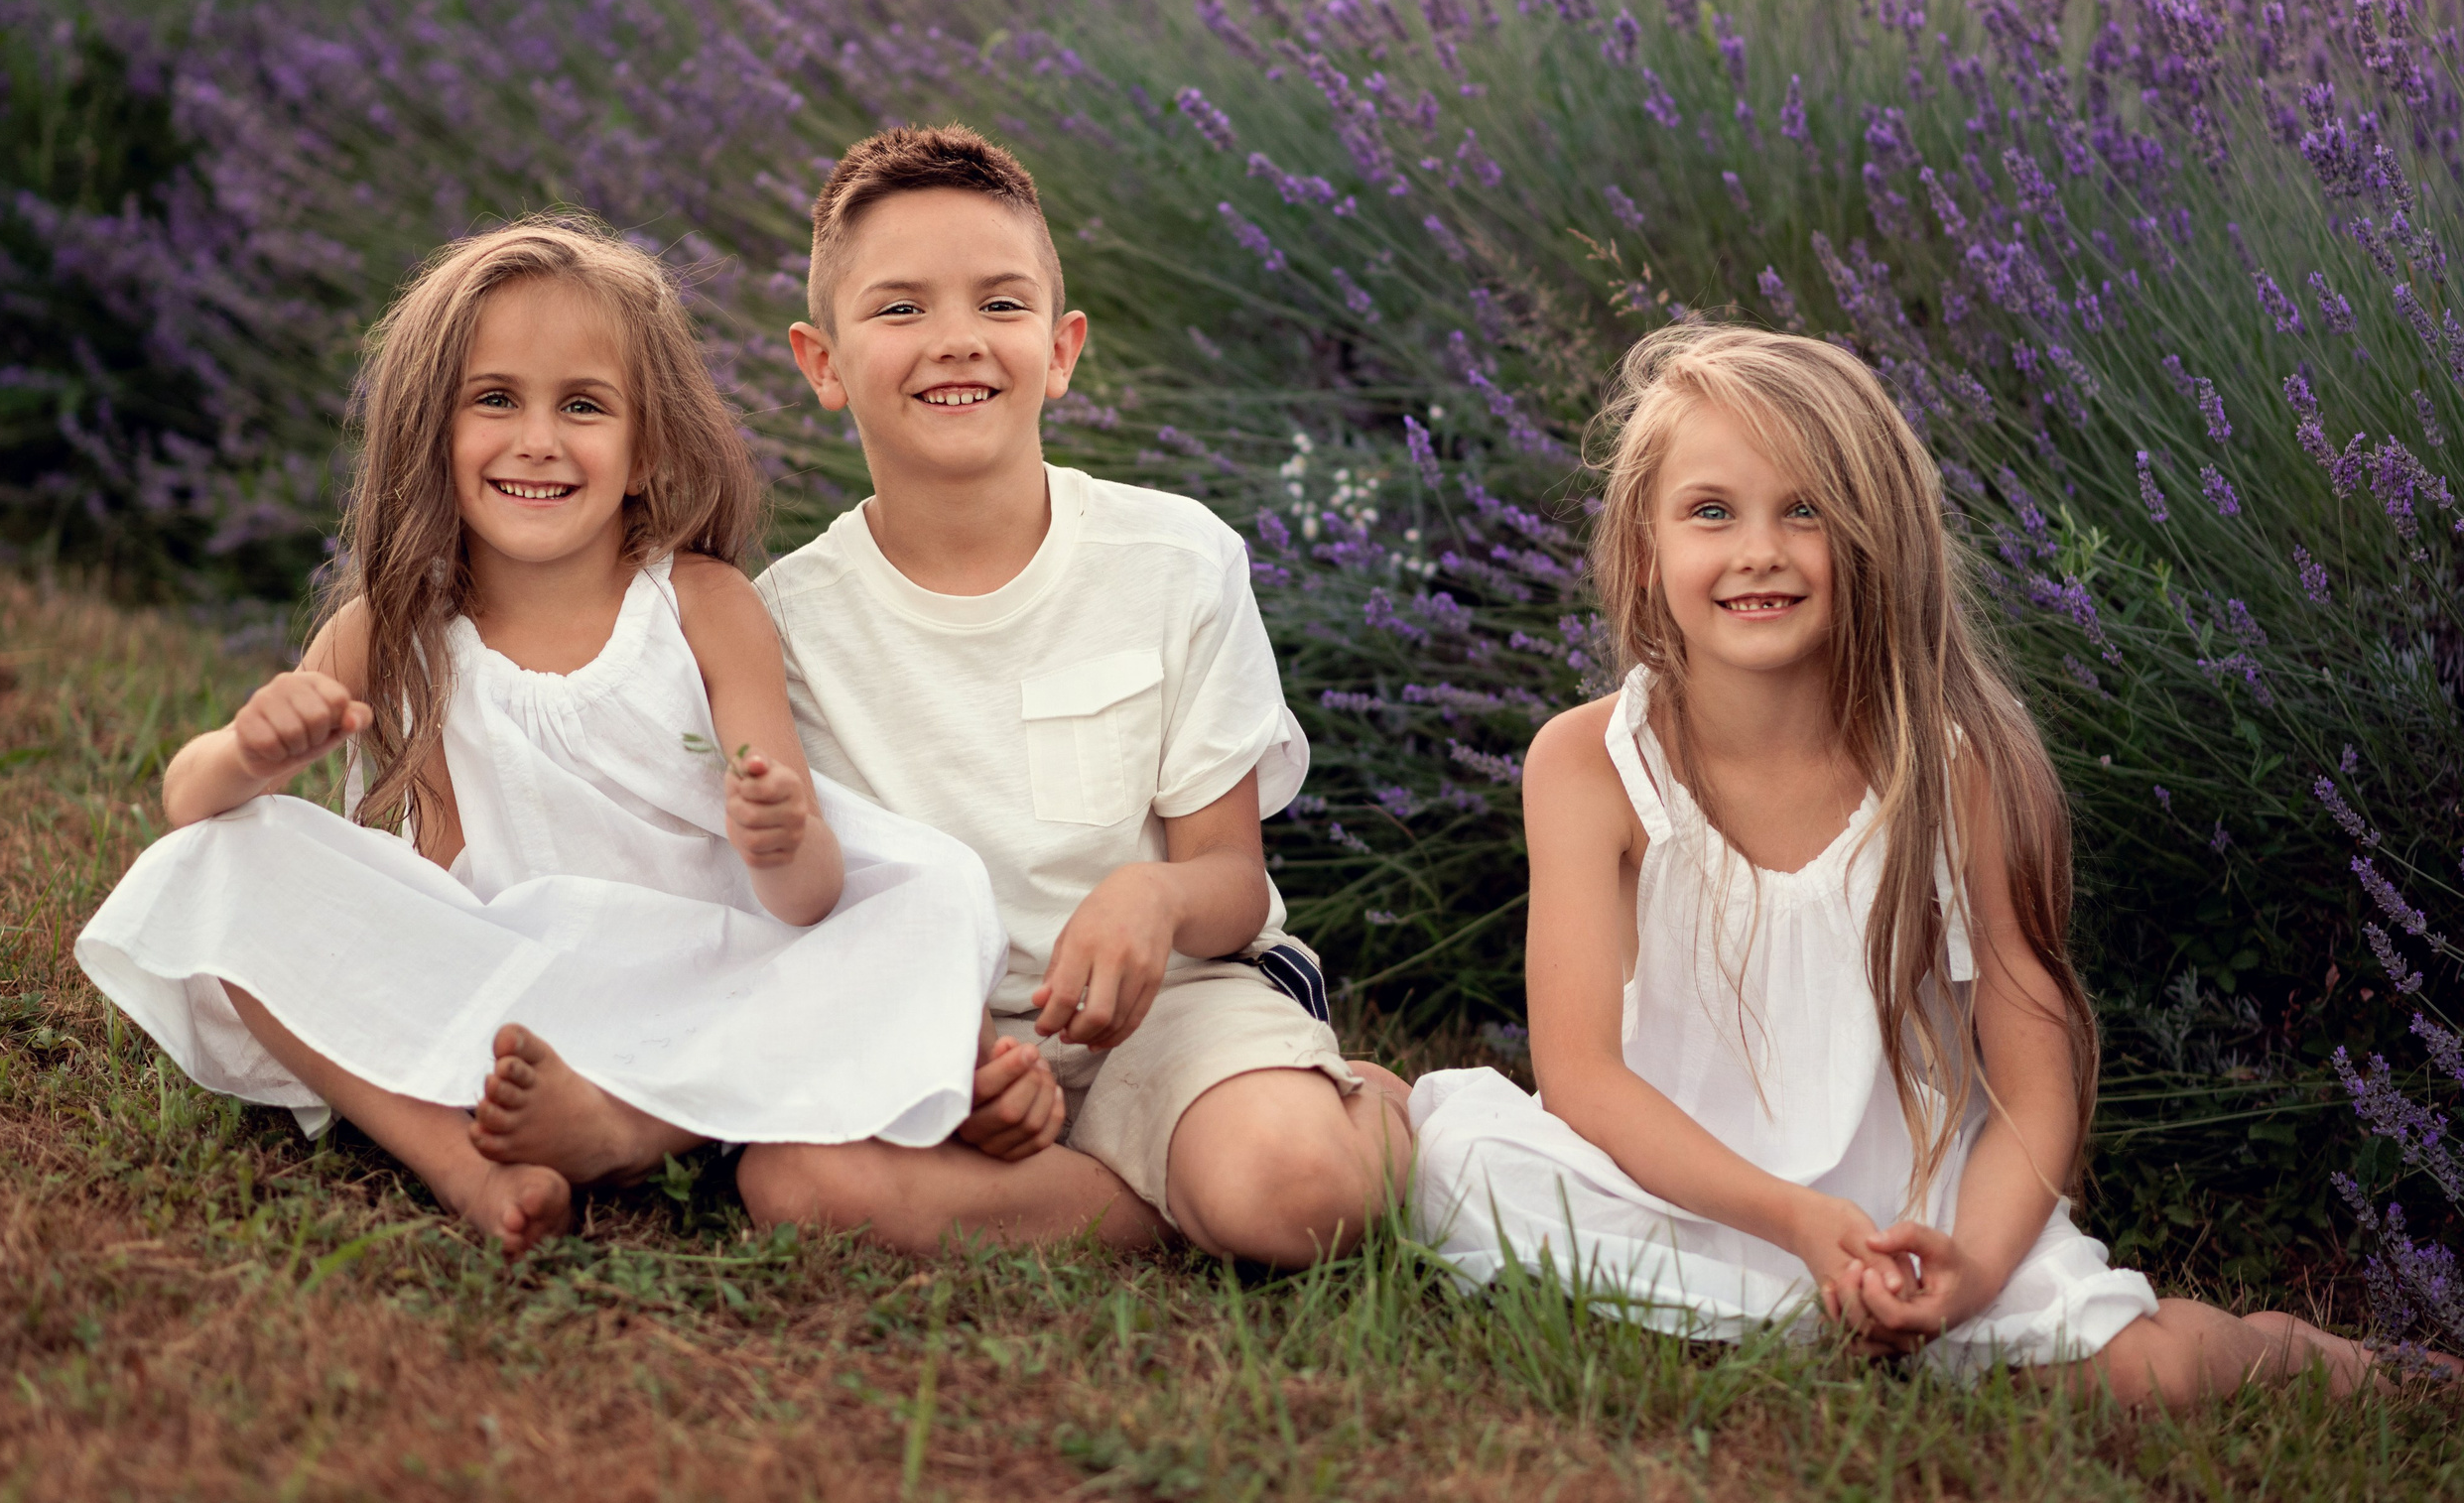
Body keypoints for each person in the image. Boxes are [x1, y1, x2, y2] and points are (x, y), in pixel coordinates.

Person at [1409, 320, 2382, 1405]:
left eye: (1806, 508)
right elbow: (1581, 1073)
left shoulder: (1963, 766)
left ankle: (2287, 1349)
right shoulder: (1590, 761)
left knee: (2136, 1376)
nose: (1759, 549)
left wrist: (1965, 1270)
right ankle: (1762, 1304)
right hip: (1678, 1186)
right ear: (1645, 546)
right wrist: (1790, 1219)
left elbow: (2030, 1082)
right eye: (1711, 510)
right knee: (1459, 1173)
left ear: (1877, 537)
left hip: (1910, 1207)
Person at [76, 215, 1026, 1260]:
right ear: (433, 433)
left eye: (582, 404)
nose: (538, 438)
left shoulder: (702, 605)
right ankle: (461, 1159)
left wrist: (779, 835)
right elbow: (186, 800)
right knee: (220, 860)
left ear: (644, 448)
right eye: (495, 399)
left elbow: (802, 893)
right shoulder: (392, 629)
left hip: (696, 988)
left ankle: (633, 1130)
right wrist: (251, 754)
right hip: (495, 992)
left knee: (926, 897)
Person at [741, 124, 1412, 1266]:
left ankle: (1342, 1123)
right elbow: (817, 919)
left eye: (999, 305)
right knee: (795, 1182)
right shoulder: (785, 624)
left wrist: (1152, 898)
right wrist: (954, 1075)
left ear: (1060, 350)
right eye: (899, 309)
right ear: (822, 361)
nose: (955, 340)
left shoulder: (1172, 558)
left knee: (1298, 1191)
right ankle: (1159, 1197)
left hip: (1178, 1002)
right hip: (945, 1040)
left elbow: (1231, 881)